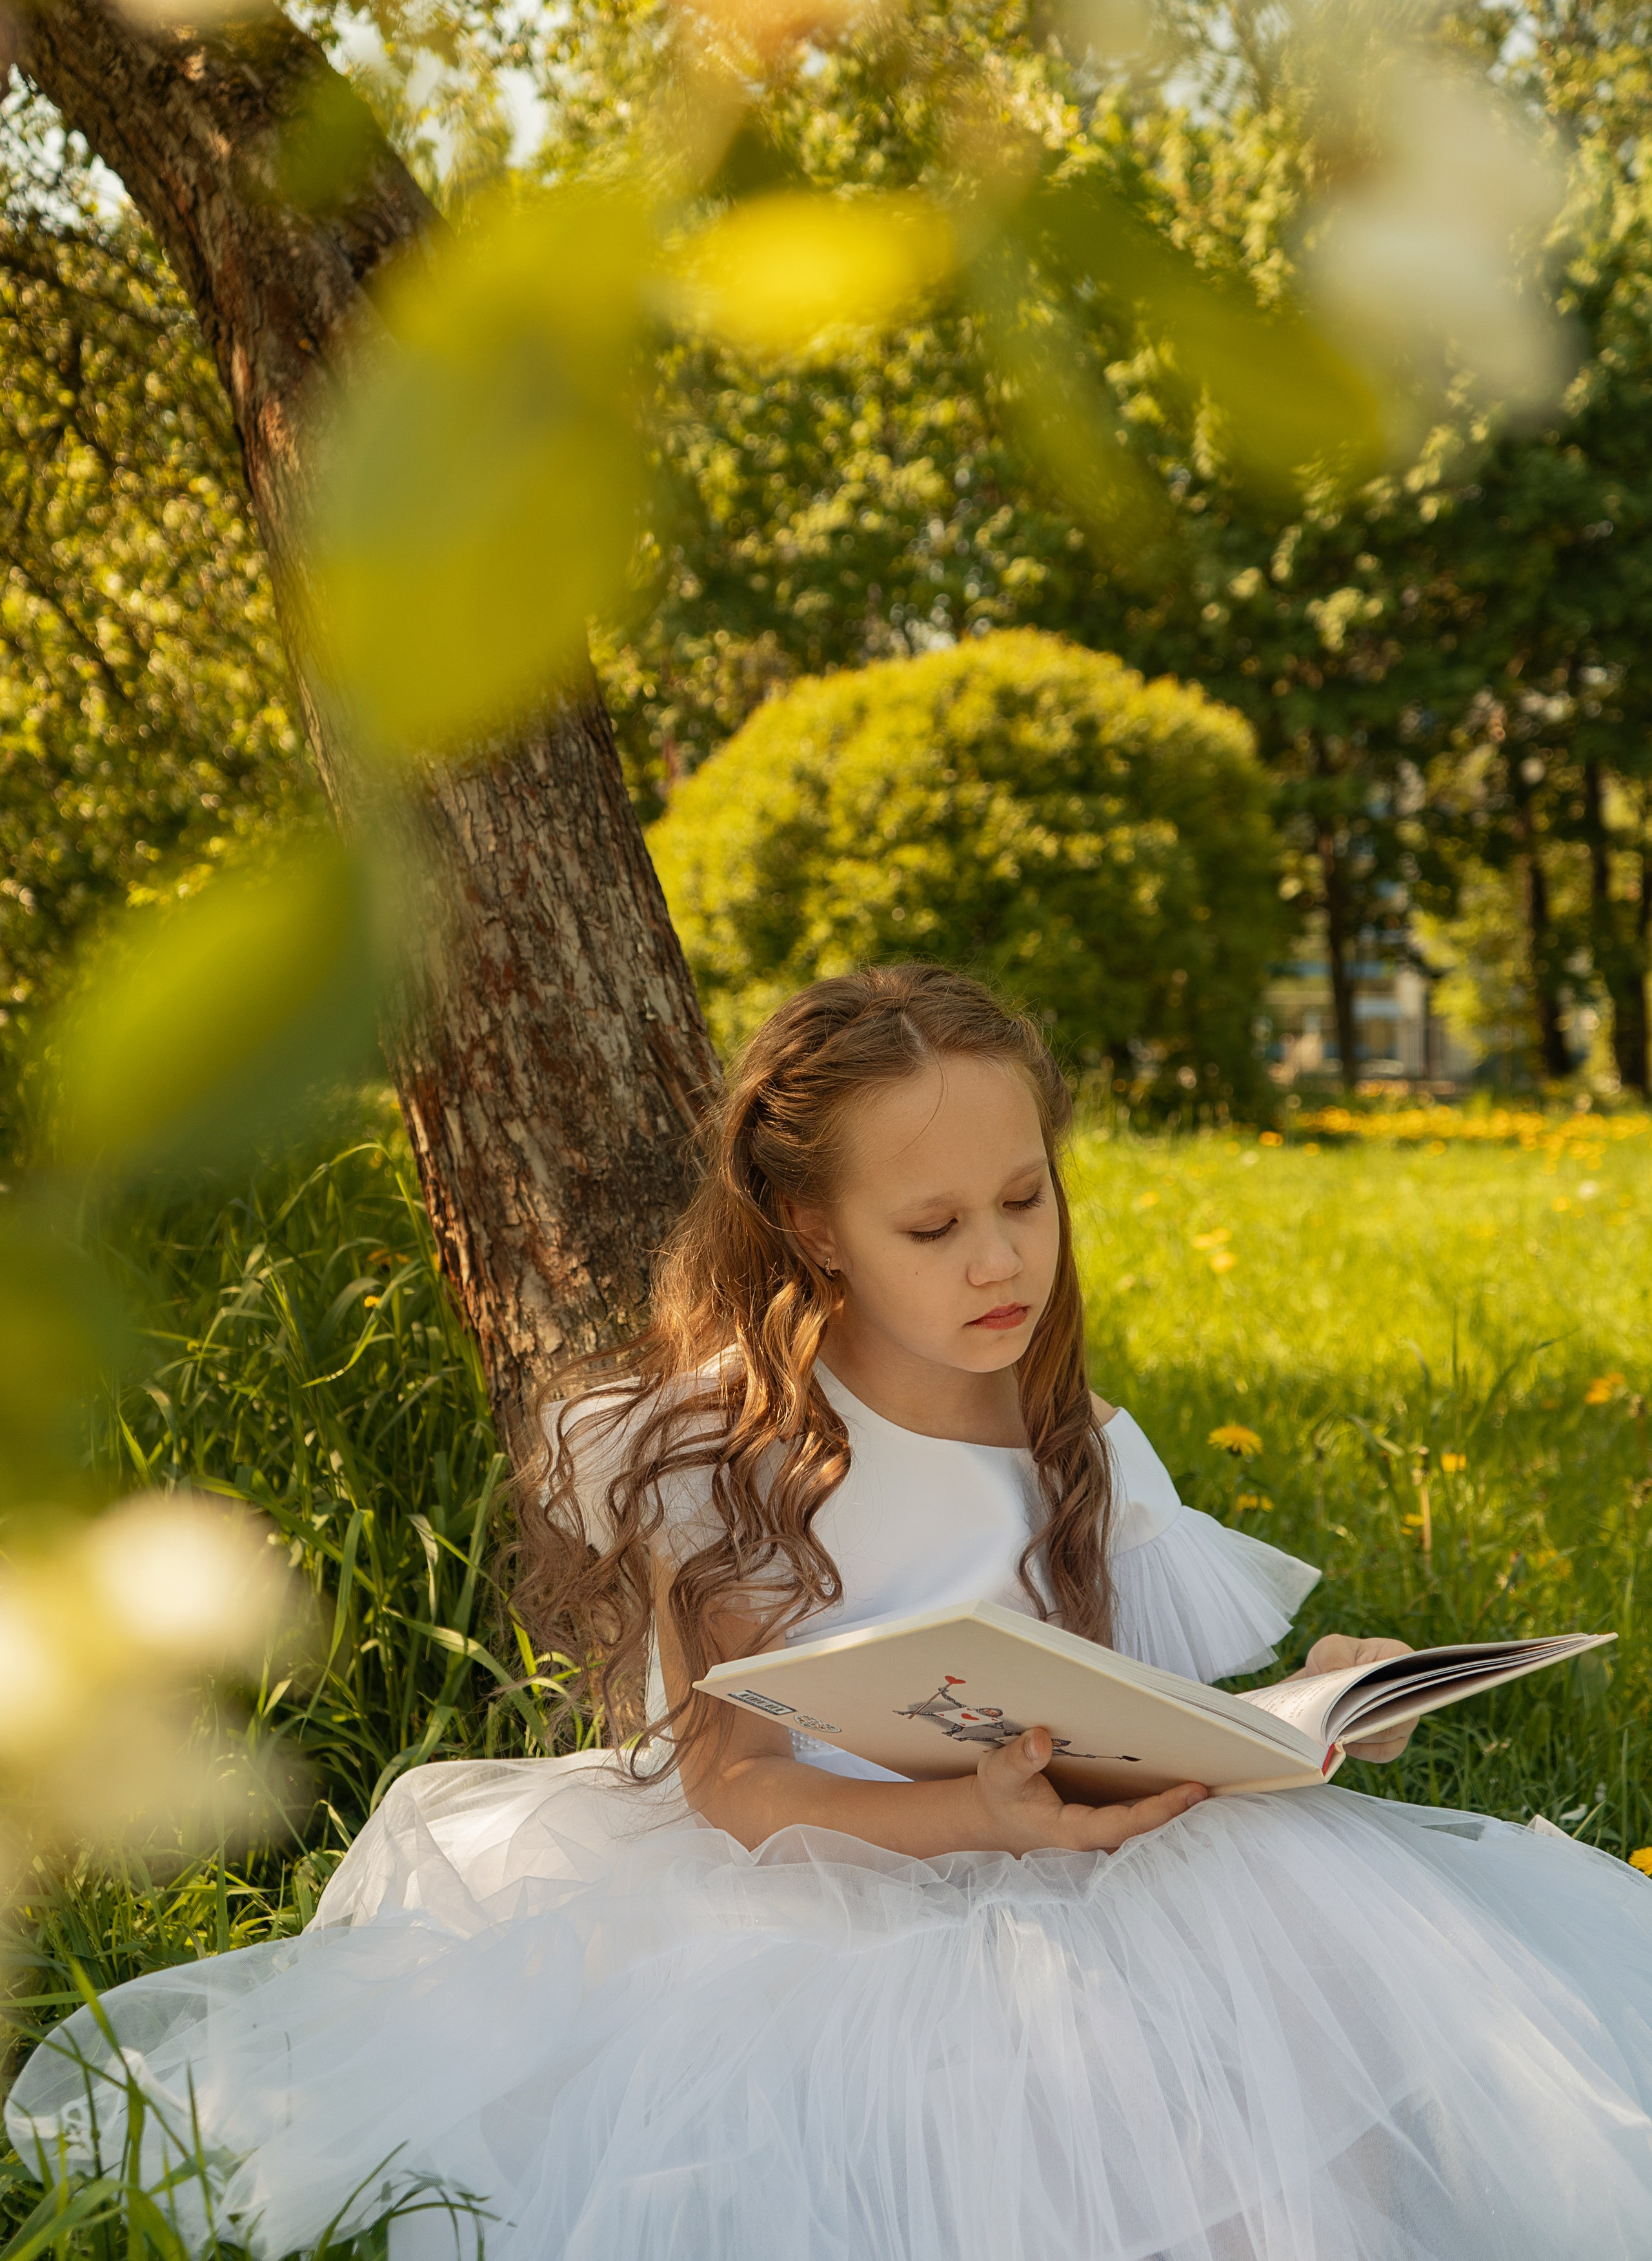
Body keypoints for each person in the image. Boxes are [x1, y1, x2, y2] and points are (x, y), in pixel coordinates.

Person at [10, 964, 1652, 2261]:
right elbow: (729, 1787)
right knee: (967, 2133)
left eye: (1026, 1198)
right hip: (817, 1886)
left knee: (1282, 2007)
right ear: (811, 1228)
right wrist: (965, 1812)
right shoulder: (715, 1454)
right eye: (932, 1227)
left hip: (1073, 1866)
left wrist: (1311, 1705)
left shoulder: (1082, 1445)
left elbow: (1135, 1719)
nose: (999, 1258)